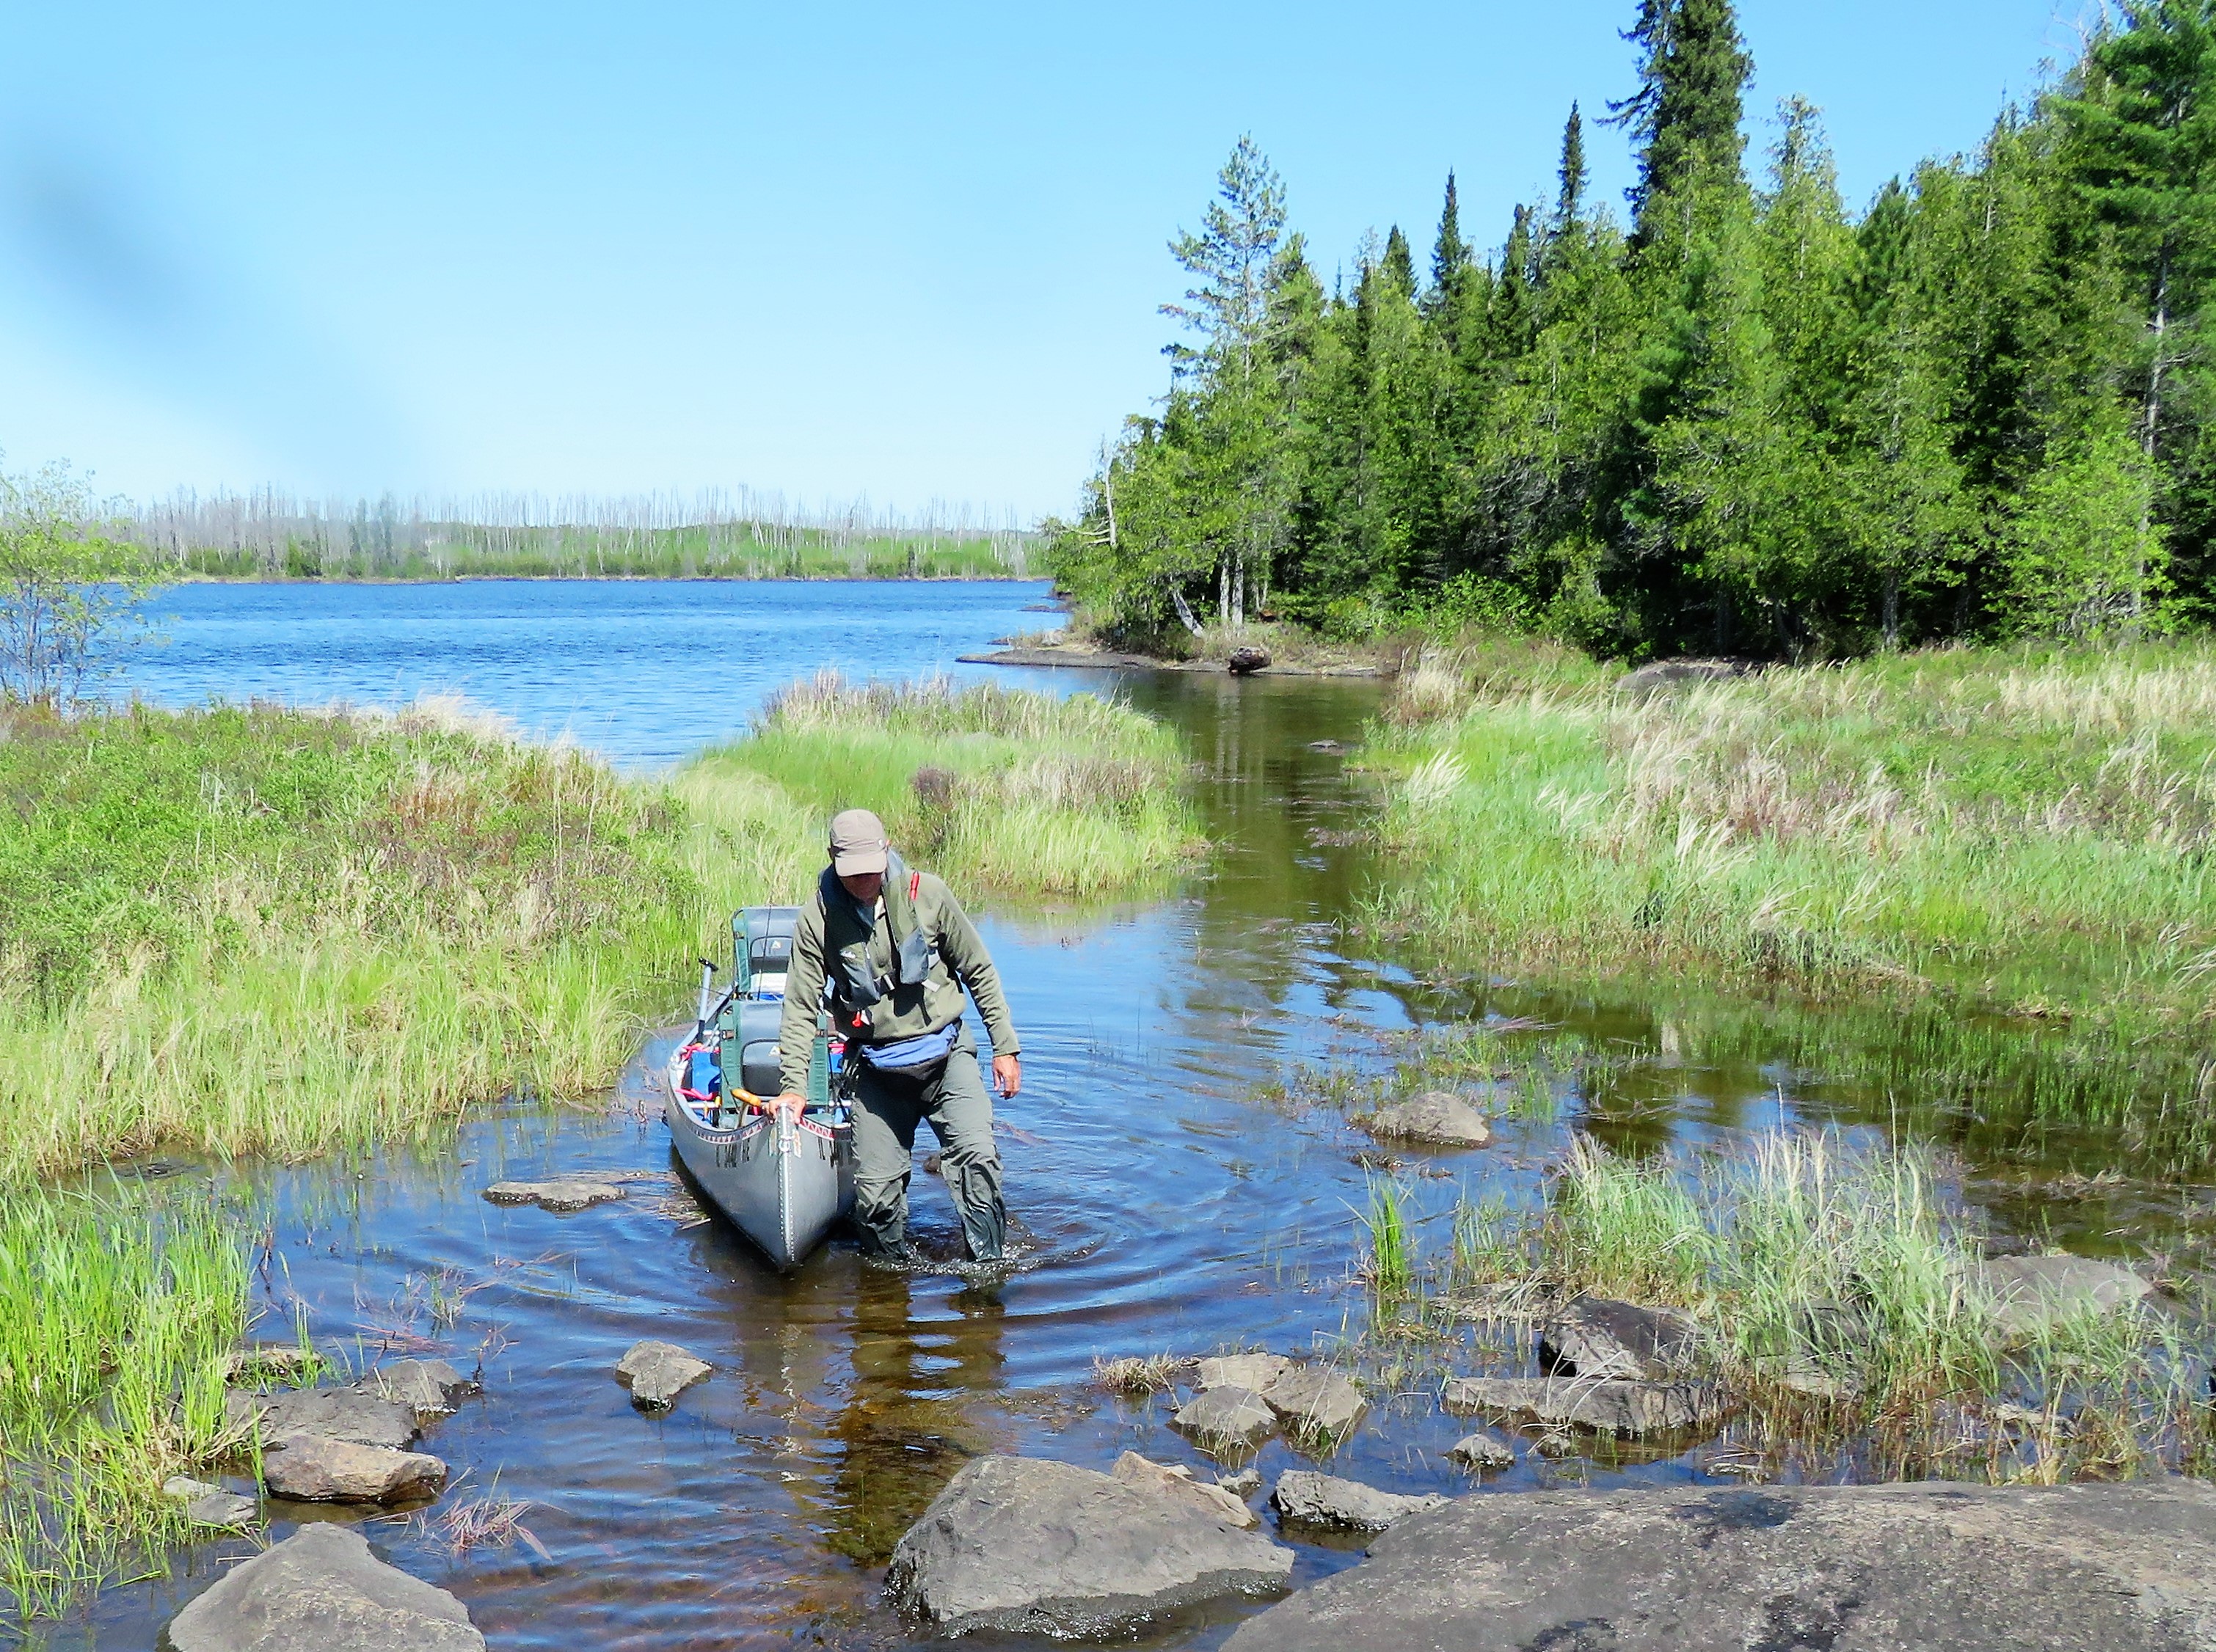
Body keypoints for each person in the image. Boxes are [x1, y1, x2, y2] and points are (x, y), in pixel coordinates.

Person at [773, 807, 1022, 1263]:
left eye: (871, 869)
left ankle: (988, 1271)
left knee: (978, 1162)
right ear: (832, 859)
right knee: (875, 1200)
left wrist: (1004, 1046)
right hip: (876, 1068)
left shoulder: (928, 894)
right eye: (852, 873)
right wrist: (793, 1087)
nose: (864, 880)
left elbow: (979, 969)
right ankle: (888, 1291)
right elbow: (800, 1008)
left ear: (886, 852)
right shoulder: (818, 919)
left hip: (947, 1057)